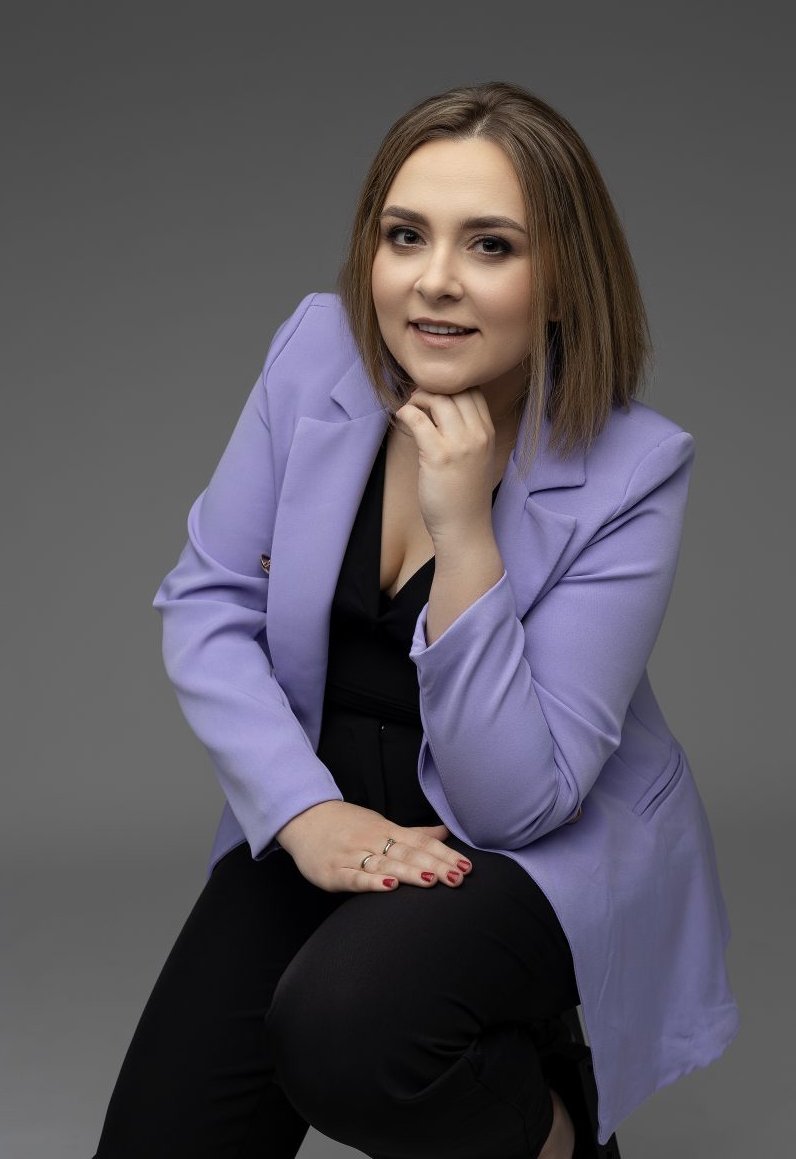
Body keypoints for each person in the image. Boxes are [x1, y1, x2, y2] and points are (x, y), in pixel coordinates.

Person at [90, 81, 739, 1159]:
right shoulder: (314, 353)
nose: (434, 279)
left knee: (348, 1033)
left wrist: (464, 529)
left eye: (490, 245)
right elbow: (209, 601)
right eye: (405, 236)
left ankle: (552, 1135)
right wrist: (306, 816)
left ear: (562, 281)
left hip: (524, 848)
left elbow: (514, 802)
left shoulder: (633, 468)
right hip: (329, 803)